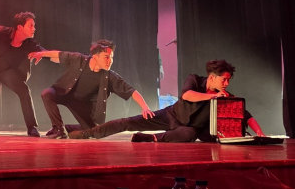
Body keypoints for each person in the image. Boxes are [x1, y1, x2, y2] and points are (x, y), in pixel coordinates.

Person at [68, 59, 266, 142]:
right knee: (128, 122)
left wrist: (260, 133)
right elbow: (187, 96)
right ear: (212, 77)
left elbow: (246, 114)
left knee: (188, 134)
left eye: (229, 80)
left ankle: (149, 138)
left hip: (187, 128)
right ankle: (86, 133)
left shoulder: (224, 97)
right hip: (170, 115)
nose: (227, 83)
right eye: (224, 79)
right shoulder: (195, 79)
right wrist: (213, 96)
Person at [28, 40, 154, 139]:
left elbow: (131, 91)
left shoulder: (109, 76)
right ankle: (59, 128)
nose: (110, 61)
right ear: (95, 56)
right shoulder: (79, 59)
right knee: (47, 93)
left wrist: (145, 107)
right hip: (65, 93)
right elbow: (60, 55)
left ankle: (66, 128)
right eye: (106, 57)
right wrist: (42, 54)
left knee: (93, 131)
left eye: (111, 57)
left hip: (82, 105)